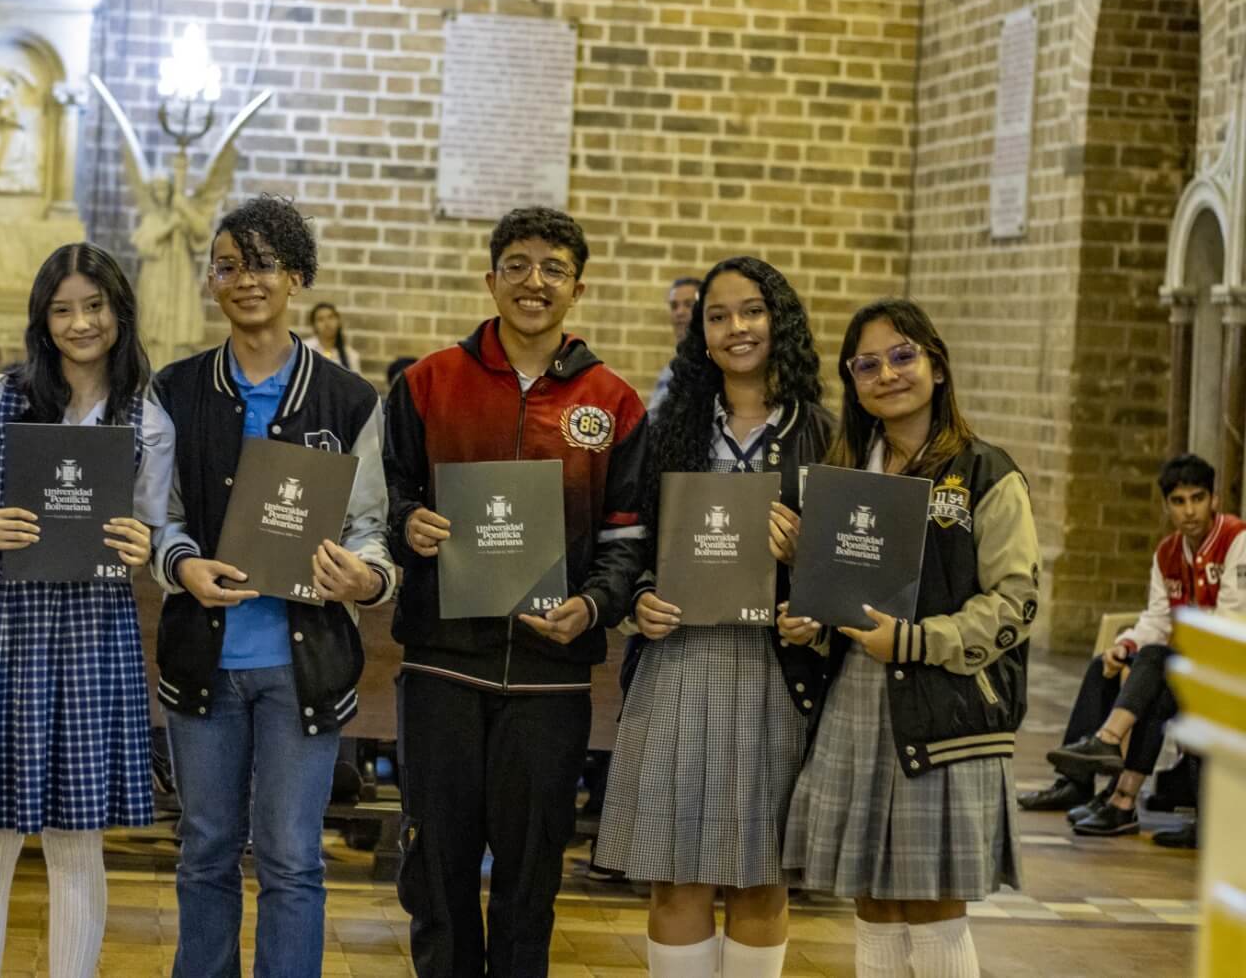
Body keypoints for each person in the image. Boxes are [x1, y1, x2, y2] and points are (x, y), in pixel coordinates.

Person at [385, 206, 649, 977]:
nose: (536, 282)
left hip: (550, 676)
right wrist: (409, 522)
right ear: (491, 277)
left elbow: (626, 539)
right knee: (437, 874)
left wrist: (595, 605)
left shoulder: (614, 401)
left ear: (578, 287)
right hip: (441, 667)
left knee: (530, 884)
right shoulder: (426, 383)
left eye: (554, 269)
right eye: (520, 265)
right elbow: (385, 496)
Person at [149, 194, 397, 977]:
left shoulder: (350, 400)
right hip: (205, 660)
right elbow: (160, 516)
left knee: (293, 858)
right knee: (206, 852)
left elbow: (372, 529)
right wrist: (183, 564)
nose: (243, 279)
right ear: (212, 281)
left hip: (305, 665)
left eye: (259, 263)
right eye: (227, 265)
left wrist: (364, 577)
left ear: (294, 275)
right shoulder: (176, 389)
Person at [779, 297, 1039, 978]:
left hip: (942, 709)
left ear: (937, 365)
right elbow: (838, 604)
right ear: (852, 379)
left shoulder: (987, 472)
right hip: (858, 704)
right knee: (872, 905)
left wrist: (918, 642)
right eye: (867, 364)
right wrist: (809, 623)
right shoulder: (844, 477)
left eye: (903, 355)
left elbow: (1016, 604)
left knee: (930, 908)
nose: (887, 374)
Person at [0, 243, 175, 978]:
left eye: (94, 305)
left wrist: (142, 541)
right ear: (42, 319)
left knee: (78, 833)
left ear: (119, 310)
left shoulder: (150, 416)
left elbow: (151, 529)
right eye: (63, 308)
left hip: (90, 627)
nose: (81, 323)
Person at [595, 257, 832, 977]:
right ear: (700, 334)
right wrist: (639, 600)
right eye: (719, 316)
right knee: (675, 869)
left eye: (752, 311)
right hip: (679, 660)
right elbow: (627, 540)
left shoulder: (823, 433)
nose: (737, 328)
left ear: (779, 320)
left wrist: (812, 591)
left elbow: (857, 563)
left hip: (776, 669)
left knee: (762, 872)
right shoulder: (667, 428)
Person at [1027, 454, 1243, 839]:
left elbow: (1230, 619)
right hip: (1191, 665)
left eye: (1197, 498)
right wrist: (1124, 647)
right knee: (1109, 664)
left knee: (1157, 661)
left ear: (1214, 501)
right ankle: (1083, 784)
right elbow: (1157, 618)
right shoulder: (1167, 553)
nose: (1189, 510)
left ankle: (1114, 769)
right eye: (1178, 501)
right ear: (1166, 506)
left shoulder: (1236, 540)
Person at [647, 277, 700, 415]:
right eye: (674, 306)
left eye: (689, 305)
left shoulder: (716, 364)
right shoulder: (670, 370)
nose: (680, 312)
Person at [306, 300, 363, 374]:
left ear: (338, 321)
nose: (327, 323)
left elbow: (357, 384)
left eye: (331, 317)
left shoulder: (351, 356)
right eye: (320, 319)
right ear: (314, 325)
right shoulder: (306, 349)